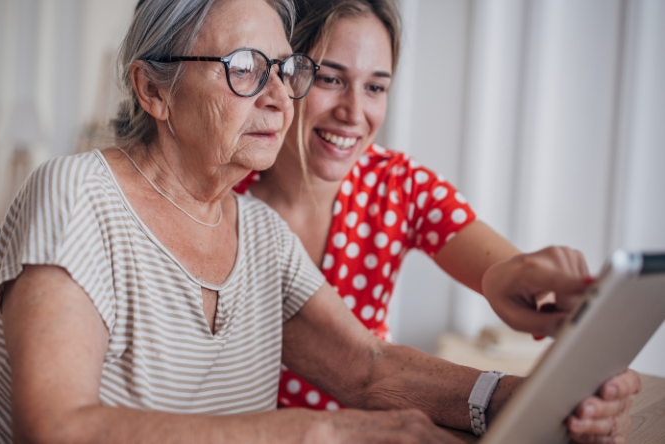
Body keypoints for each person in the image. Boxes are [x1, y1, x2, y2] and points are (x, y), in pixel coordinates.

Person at [0, 0, 637, 443]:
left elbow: (369, 367)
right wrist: (313, 432)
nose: (276, 97)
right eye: (241, 66)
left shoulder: (258, 234)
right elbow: (58, 430)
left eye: (284, 69)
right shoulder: (75, 194)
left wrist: (522, 401)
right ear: (152, 89)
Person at [236, 0, 641, 441]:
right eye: (331, 79)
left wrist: (542, 294)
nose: (354, 113)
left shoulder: (398, 184)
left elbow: (507, 271)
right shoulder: (222, 197)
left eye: (375, 87)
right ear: (282, 73)